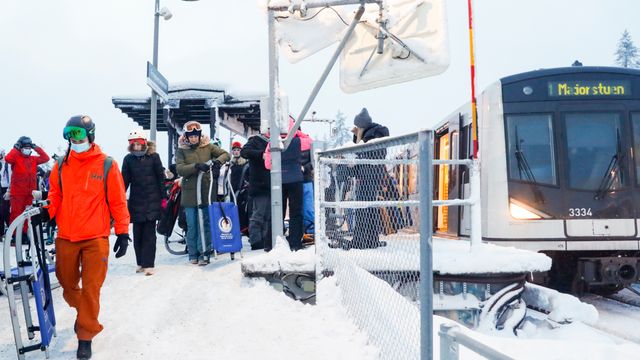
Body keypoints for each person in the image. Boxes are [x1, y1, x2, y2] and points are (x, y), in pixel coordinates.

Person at [42, 115, 130, 360]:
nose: (73, 138)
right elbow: (55, 196)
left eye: (78, 134)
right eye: (69, 133)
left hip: (95, 237)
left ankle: (85, 335)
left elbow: (118, 201)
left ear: (91, 135)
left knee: (91, 289)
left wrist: (122, 231)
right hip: (67, 236)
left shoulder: (106, 164)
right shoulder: (60, 165)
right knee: (67, 284)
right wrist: (46, 211)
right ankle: (86, 315)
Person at [176, 121, 230, 265]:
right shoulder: (181, 150)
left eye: (196, 136)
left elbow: (226, 154)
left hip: (206, 191)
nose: (194, 138)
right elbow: (180, 168)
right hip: (190, 194)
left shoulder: (208, 147)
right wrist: (195, 167)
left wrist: (217, 162)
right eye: (191, 136)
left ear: (200, 135)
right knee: (192, 224)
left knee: (204, 224)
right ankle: (193, 253)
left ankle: (204, 253)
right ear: (186, 137)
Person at [121, 130, 165, 276]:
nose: (136, 146)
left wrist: (164, 198)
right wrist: (118, 196)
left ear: (144, 143)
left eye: (138, 143)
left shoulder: (154, 157)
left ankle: (149, 264)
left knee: (149, 235)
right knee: (137, 234)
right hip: (136, 202)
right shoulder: (128, 160)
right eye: (133, 144)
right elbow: (124, 181)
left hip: (153, 201)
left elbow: (160, 178)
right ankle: (140, 262)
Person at [350, 108, 389, 249]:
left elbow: (361, 154)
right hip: (369, 175)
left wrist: (358, 137)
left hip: (369, 176)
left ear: (362, 125)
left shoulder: (373, 135)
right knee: (370, 209)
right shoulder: (373, 134)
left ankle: (360, 240)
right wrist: (357, 136)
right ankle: (371, 240)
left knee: (362, 208)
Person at [264, 119, 304, 251]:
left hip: (278, 180)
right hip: (296, 179)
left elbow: (267, 164)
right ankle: (295, 244)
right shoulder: (299, 140)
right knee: (296, 213)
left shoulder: (272, 143)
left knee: (276, 212)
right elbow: (310, 143)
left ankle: (272, 243)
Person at [4, 136, 50, 239]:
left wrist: (36, 147)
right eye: (25, 147)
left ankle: (24, 234)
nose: (28, 149)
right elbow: (8, 159)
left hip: (30, 193)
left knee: (27, 214)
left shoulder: (33, 159)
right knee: (16, 214)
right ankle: (15, 235)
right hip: (17, 193)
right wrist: (15, 148)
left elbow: (46, 158)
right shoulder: (16, 158)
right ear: (20, 147)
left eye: (29, 147)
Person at [240, 132, 271, 251]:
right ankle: (256, 240)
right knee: (258, 215)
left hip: (271, 185)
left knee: (267, 216)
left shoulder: (276, 141)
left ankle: (264, 239)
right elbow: (244, 152)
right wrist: (261, 155)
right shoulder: (255, 140)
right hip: (260, 185)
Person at [229, 141, 250, 232]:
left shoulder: (245, 164)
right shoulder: (231, 164)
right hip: (232, 190)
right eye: (235, 150)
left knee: (242, 210)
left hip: (242, 190)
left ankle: (243, 228)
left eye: (238, 150)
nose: (236, 152)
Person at [0, 149, 11, 237]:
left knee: (4, 211)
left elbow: (11, 178)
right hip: (2, 188)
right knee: (2, 211)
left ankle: (12, 229)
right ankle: (1, 232)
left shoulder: (8, 164)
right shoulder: (2, 165)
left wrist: (9, 190)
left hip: (7, 189)